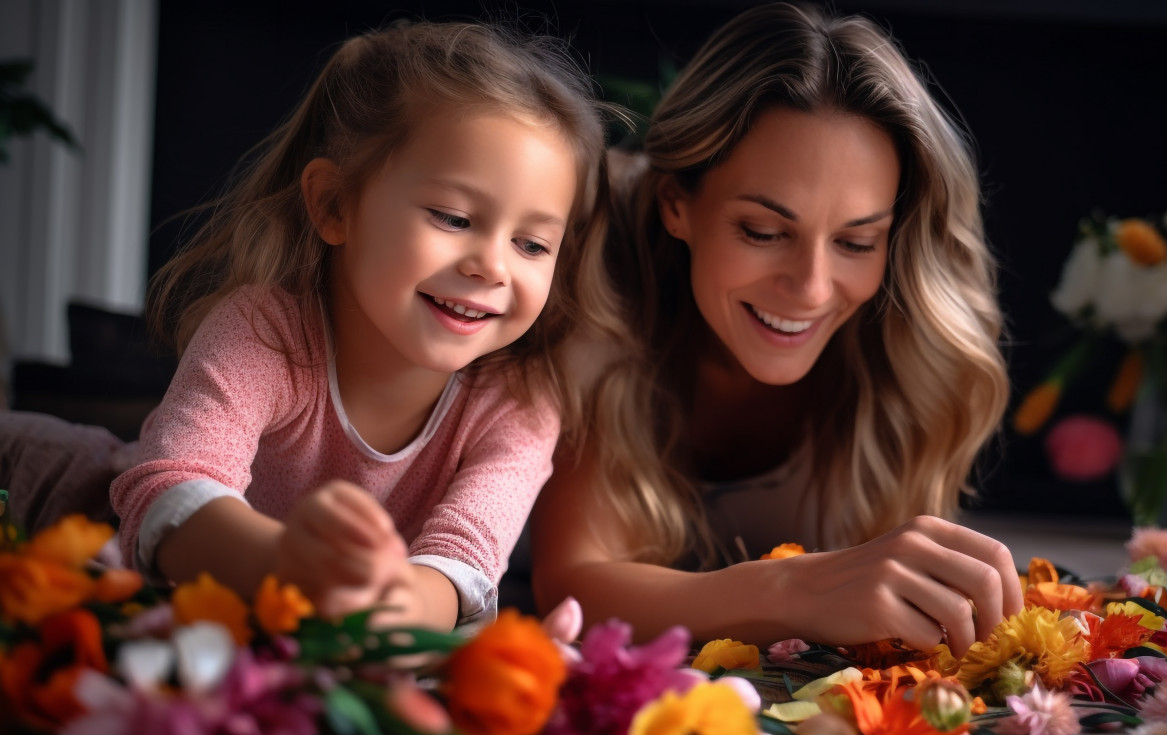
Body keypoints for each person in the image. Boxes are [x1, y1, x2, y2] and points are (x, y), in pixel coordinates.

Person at [530, 2, 1022, 658]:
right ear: (678, 204)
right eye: (763, 232)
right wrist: (793, 589)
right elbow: (573, 588)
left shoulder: (910, 344)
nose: (813, 288)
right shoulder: (599, 290)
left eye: (856, 241)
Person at [110, 20, 617, 632]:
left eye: (532, 244)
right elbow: (171, 485)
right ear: (333, 204)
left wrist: (392, 606)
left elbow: (464, 565)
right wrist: (287, 566)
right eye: (453, 217)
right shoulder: (265, 332)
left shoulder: (522, 403)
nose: (492, 265)